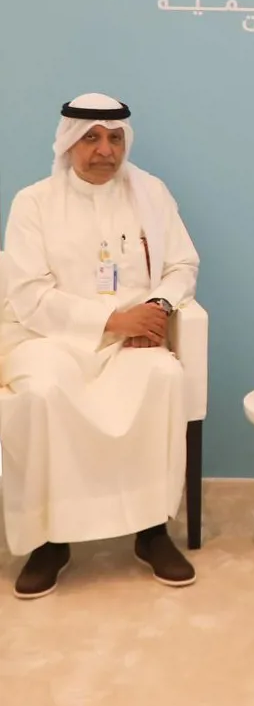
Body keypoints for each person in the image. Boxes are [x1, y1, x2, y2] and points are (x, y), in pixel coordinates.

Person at [1, 93, 201, 598]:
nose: (105, 150)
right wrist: (113, 319)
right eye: (90, 138)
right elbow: (29, 294)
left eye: (114, 138)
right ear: (68, 142)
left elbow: (182, 266)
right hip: (50, 340)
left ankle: (151, 531)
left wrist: (156, 308)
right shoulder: (33, 203)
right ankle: (50, 540)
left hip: (129, 343)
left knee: (163, 376)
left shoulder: (150, 195)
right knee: (42, 394)